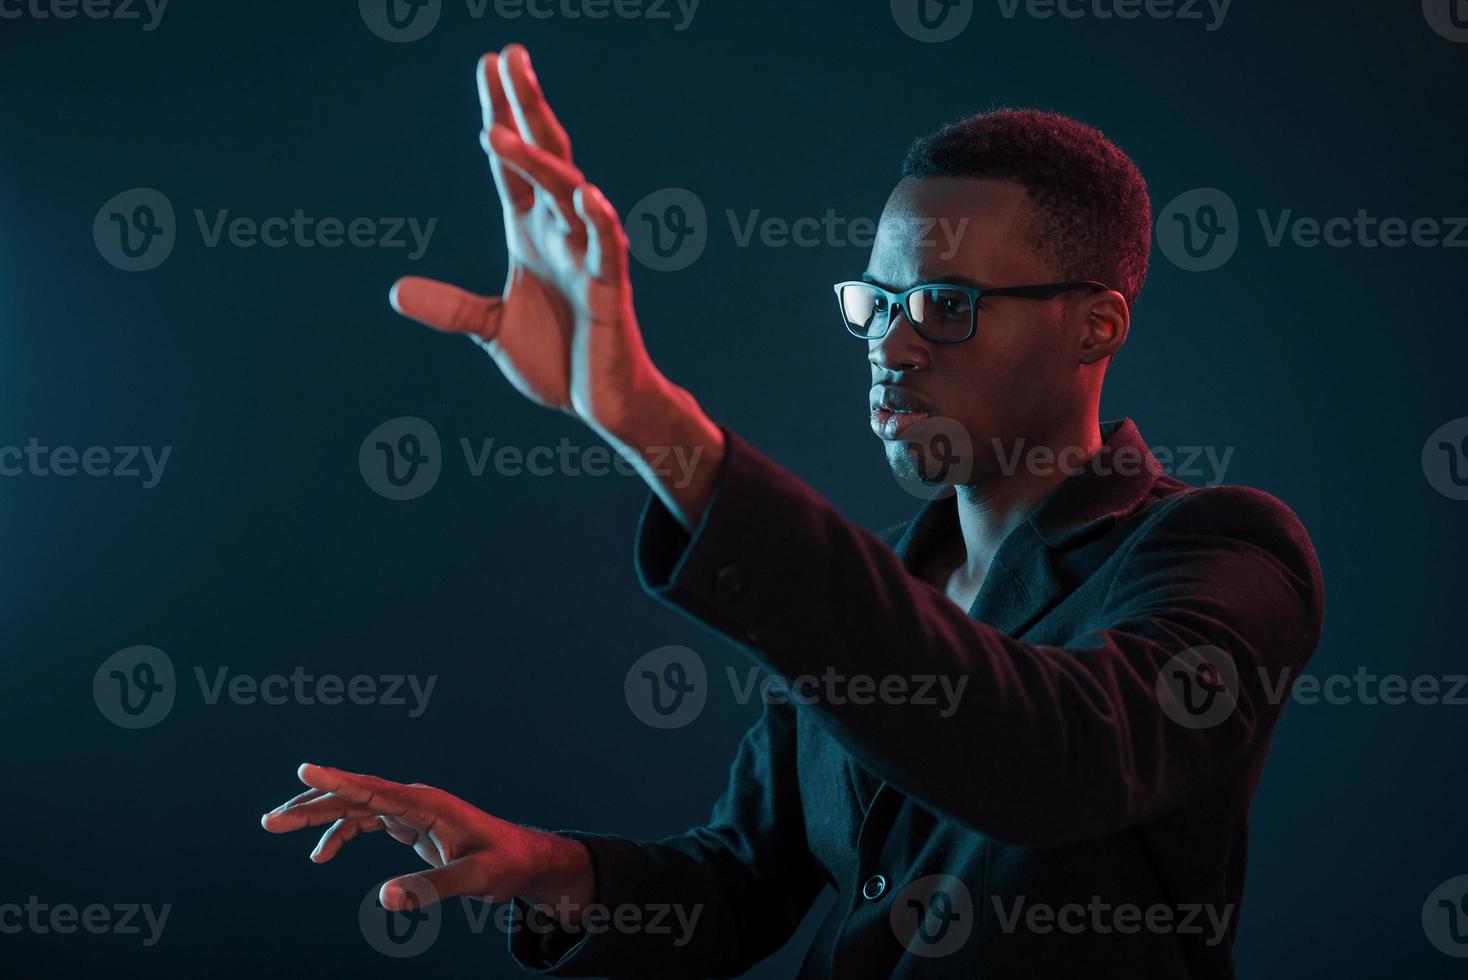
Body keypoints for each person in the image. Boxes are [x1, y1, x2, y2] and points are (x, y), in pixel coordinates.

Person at [260, 43, 1324, 979]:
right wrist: (550, 866)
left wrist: (647, 419)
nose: (892, 346)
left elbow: (1048, 755)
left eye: (946, 306)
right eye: (876, 303)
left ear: (1096, 326)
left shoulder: (1219, 551)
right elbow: (738, 884)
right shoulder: (874, 583)